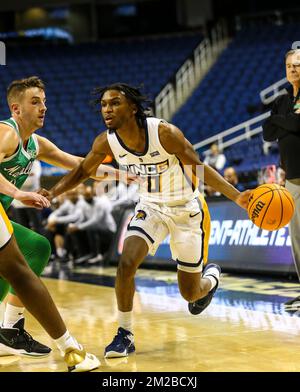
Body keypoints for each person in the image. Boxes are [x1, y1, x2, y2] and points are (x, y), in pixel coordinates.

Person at [44, 82, 250, 358]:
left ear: (132, 107)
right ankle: (125, 333)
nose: (107, 109)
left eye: (114, 103)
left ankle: (211, 278)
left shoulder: (164, 133)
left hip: (186, 211)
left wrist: (236, 197)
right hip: (150, 207)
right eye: (104, 104)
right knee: (126, 263)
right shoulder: (106, 141)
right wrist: (53, 192)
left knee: (191, 294)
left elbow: (200, 169)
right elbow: (82, 171)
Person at [0, 76, 109, 371]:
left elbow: (79, 164)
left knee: (35, 248)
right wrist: (18, 192)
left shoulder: (35, 144)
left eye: (45, 102)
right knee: (20, 273)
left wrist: (124, 173)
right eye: (35, 102)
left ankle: (8, 330)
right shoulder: (6, 133)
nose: (43, 107)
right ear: (16, 108)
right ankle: (70, 348)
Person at [263, 48, 300, 310]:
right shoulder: (283, 100)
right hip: (292, 181)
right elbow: (267, 132)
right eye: (289, 65)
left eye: (298, 64)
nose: (293, 69)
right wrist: (285, 119)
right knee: (297, 241)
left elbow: (297, 127)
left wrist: (280, 121)